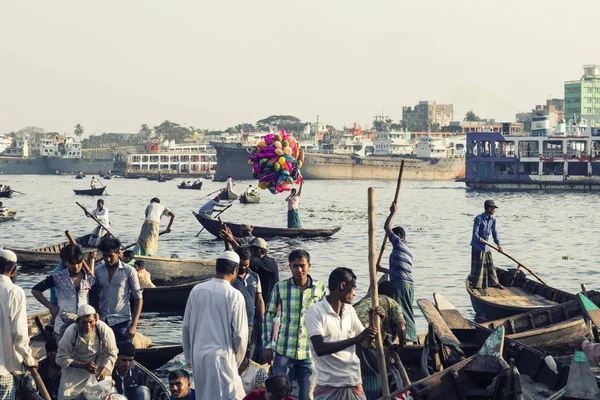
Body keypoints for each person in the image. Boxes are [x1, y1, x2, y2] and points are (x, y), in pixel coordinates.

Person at [182, 250, 248, 400]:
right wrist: (235, 361)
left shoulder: (196, 290)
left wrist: (188, 357)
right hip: (223, 358)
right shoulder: (235, 295)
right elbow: (240, 335)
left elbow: (186, 327)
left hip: (198, 356)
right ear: (234, 270)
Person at [305, 267, 379, 400]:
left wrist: (373, 325)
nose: (355, 294)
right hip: (329, 384)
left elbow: (366, 343)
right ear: (342, 286)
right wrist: (356, 339)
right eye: (353, 288)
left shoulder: (349, 310)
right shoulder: (316, 311)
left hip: (353, 381)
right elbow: (320, 348)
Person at [263, 249, 327, 400]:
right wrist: (267, 344)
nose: (299, 270)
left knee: (308, 395)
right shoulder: (280, 287)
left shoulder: (319, 288)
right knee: (280, 395)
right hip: (285, 350)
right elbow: (269, 315)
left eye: (302, 266)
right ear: (290, 266)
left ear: (309, 266)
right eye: (295, 266)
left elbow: (326, 319)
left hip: (309, 352)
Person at [354, 281, 406, 399]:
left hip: (352, 342)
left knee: (360, 377)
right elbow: (402, 328)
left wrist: (383, 334)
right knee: (373, 377)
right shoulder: (391, 302)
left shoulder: (361, 303)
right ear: (392, 295)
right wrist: (401, 346)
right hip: (369, 342)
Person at [31, 244, 96, 337]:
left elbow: (94, 299)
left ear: (82, 261)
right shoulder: (58, 277)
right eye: (72, 263)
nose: (76, 266)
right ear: (66, 263)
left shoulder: (89, 278)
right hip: (63, 324)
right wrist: (51, 306)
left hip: (85, 324)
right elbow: (36, 291)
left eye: (78, 263)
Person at [56, 304, 118, 400]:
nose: (88, 326)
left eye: (90, 322)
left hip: (97, 369)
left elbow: (112, 352)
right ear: (77, 322)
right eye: (84, 323)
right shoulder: (71, 331)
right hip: (74, 372)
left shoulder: (103, 329)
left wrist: (105, 369)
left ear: (96, 319)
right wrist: (83, 365)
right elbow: (60, 358)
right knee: (67, 396)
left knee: (105, 395)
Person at [0, 249, 38, 400]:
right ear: (14, 270)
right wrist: (29, 359)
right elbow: (20, 335)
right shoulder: (14, 292)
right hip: (3, 370)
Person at [377, 203, 417, 342]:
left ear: (399, 235)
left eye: (393, 236)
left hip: (401, 284)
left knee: (400, 310)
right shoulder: (408, 249)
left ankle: (405, 338)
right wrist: (381, 269)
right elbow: (397, 270)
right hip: (407, 284)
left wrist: (392, 213)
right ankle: (409, 336)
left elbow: (386, 228)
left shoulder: (399, 243)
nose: (390, 239)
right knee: (406, 309)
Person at [95, 237, 143, 343]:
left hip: (123, 322)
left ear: (118, 253)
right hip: (103, 321)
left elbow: (138, 298)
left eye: (111, 256)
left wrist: (133, 325)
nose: (107, 259)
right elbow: (94, 295)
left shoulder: (129, 271)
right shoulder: (98, 270)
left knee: (125, 356)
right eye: (105, 256)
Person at [232, 246, 264, 367]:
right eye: (241, 265)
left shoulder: (255, 277)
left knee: (249, 351)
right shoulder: (231, 278)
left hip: (250, 322)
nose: (244, 268)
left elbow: (259, 300)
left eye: (246, 265)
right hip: (235, 323)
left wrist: (263, 322)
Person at [470, 199, 504, 290]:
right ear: (489, 209)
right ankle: (477, 285)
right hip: (477, 246)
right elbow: (475, 233)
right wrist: (479, 239)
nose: (494, 210)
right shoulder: (478, 219)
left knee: (490, 264)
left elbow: (494, 233)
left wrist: (498, 244)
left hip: (486, 245)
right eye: (493, 208)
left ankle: (494, 283)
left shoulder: (493, 220)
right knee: (480, 266)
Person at [248, 238, 279, 309]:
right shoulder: (257, 264)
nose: (249, 253)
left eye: (250, 250)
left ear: (258, 251)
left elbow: (246, 257)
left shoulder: (269, 263)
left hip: (269, 304)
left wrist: (232, 241)